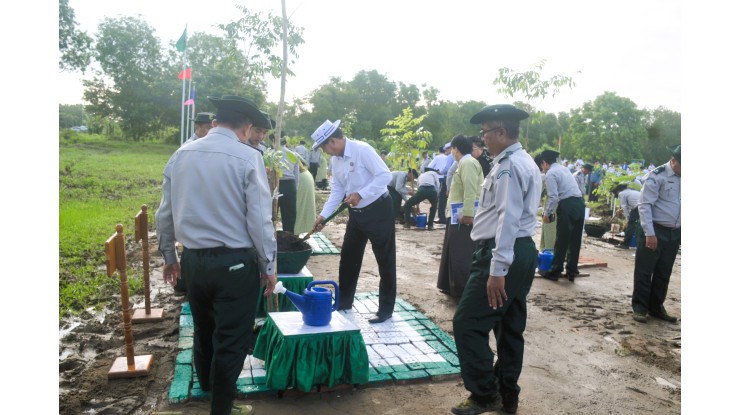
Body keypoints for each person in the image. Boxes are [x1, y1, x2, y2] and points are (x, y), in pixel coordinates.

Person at [155, 95, 276, 415]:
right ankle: (221, 408)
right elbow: (260, 220)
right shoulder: (248, 158)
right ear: (247, 127)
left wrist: (170, 256)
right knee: (231, 340)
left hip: (193, 262)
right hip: (235, 265)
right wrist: (269, 265)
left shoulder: (181, 154)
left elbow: (163, 214)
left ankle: (208, 389)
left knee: (204, 329)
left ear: (214, 123)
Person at [451, 104, 540, 415]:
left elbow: (508, 219)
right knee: (509, 325)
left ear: (502, 132)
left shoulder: (509, 167)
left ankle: (484, 393)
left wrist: (497, 269)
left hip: (504, 252)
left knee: (467, 323)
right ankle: (507, 394)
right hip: (522, 250)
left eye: (486, 133)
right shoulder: (520, 161)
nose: (482, 139)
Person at [310, 120, 396, 324]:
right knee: (348, 258)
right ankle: (344, 302)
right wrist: (323, 215)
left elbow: (385, 175)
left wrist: (361, 193)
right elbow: (338, 191)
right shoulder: (335, 161)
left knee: (385, 260)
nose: (325, 152)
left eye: (324, 147)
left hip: (379, 209)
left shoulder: (362, 150)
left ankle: (385, 309)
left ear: (332, 141)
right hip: (356, 214)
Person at [631, 145, 681, 323]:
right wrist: (650, 234)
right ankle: (640, 307)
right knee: (645, 270)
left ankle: (656, 306)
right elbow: (644, 205)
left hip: (674, 232)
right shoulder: (657, 176)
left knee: (664, 271)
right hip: (654, 228)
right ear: (673, 161)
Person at [437, 134, 483, 298]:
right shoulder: (463, 163)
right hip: (456, 214)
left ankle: (463, 291)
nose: (450, 152)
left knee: (461, 254)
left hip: (463, 216)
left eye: (451, 149)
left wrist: (468, 215)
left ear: (456, 148)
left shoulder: (468, 163)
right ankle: (451, 286)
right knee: (452, 250)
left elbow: (471, 190)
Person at [535, 150, 586, 282]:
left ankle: (555, 271)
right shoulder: (564, 169)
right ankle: (571, 270)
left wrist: (547, 214)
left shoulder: (551, 173)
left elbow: (553, 197)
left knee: (562, 239)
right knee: (575, 239)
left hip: (567, 205)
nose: (542, 169)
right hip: (580, 204)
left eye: (541, 166)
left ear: (544, 163)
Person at [278, 139, 300, 233]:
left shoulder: (271, 154)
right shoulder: (293, 155)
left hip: (275, 184)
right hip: (289, 185)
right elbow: (296, 175)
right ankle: (288, 237)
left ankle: (269, 238)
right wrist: (294, 189)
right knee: (290, 216)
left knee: (269, 215)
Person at [612, 183, 641, 249]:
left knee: (631, 225)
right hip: (642, 206)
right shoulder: (631, 191)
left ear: (618, 191)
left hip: (638, 207)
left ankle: (625, 244)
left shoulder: (621, 194)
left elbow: (625, 207)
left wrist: (627, 220)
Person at [294, 161, 317, 235]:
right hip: (304, 176)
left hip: (300, 178)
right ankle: (296, 233)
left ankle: (294, 234)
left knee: (298, 207)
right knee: (300, 207)